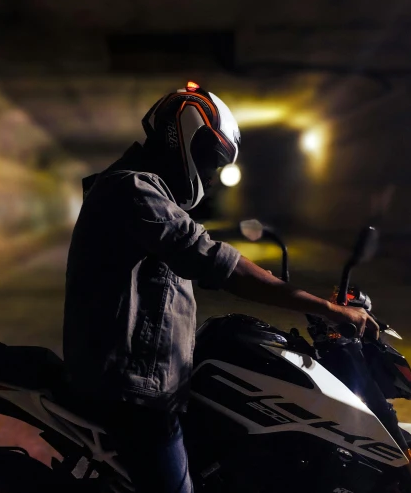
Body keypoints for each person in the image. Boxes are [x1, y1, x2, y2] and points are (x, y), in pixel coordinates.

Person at [62, 82, 379, 493]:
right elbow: (216, 263)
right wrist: (328, 310)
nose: (211, 177)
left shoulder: (147, 194)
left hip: (151, 378)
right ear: (184, 139)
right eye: (211, 160)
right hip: (132, 391)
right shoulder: (133, 189)